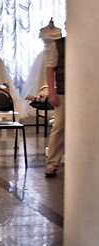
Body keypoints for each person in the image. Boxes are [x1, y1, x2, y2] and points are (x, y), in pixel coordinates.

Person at [45, 35, 65, 177]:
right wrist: (52, 93)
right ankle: (52, 163)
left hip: (84, 92)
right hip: (63, 91)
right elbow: (50, 68)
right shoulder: (58, 44)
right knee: (59, 126)